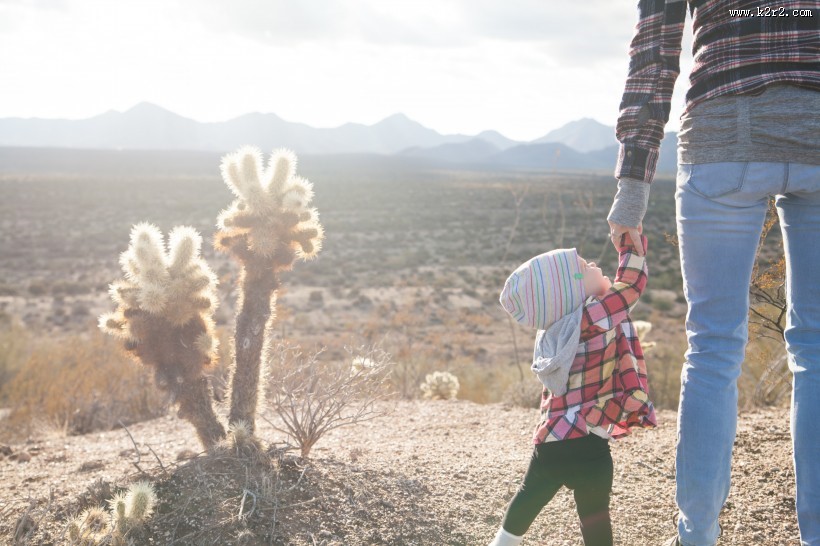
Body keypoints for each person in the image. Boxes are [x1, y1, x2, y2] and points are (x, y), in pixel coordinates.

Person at [606, 2, 820, 545]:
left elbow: (654, 53)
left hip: (723, 135)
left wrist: (632, 190)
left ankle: (696, 535)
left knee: (713, 348)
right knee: (818, 352)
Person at [489, 232, 656, 546]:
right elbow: (632, 284)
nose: (592, 263)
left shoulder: (553, 330)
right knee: (594, 514)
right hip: (589, 443)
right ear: (574, 290)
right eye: (583, 266)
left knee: (529, 497)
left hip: (552, 440)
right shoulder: (593, 316)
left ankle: (502, 543)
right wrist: (628, 242)